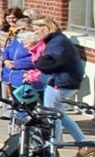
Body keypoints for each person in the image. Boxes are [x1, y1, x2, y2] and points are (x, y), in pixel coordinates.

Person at [31, 16, 87, 145]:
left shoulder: (58, 41)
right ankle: (80, 142)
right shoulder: (56, 40)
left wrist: (37, 63)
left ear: (46, 27)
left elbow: (50, 61)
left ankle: (54, 144)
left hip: (61, 82)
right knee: (58, 113)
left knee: (52, 114)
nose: (36, 33)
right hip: (62, 80)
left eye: (37, 29)